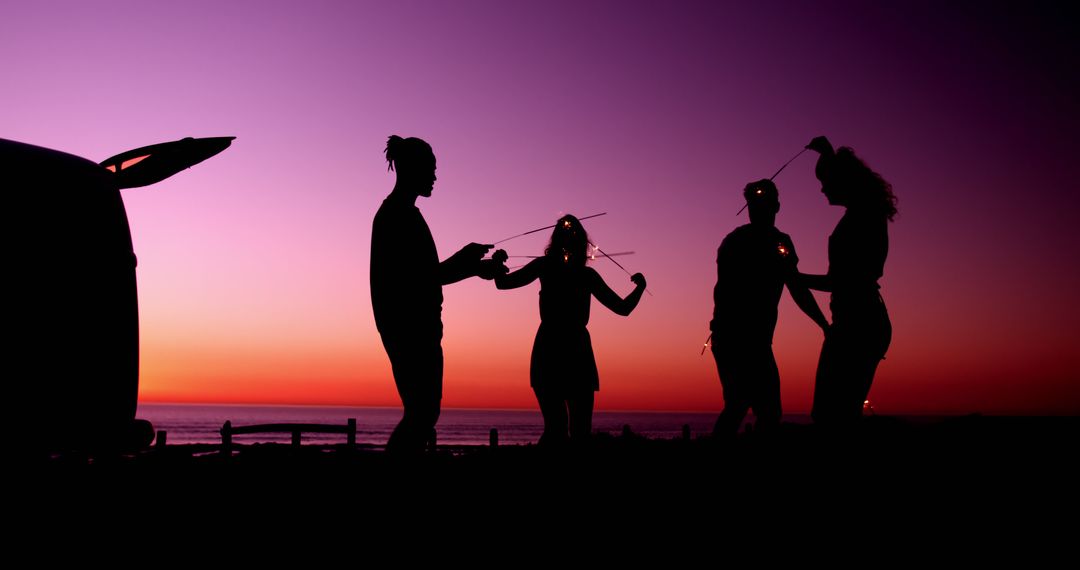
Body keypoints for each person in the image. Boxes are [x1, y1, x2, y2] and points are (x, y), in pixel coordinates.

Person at [370, 135, 506, 454]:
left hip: (419, 329)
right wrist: (464, 260)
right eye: (430, 168)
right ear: (411, 168)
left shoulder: (405, 214)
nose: (434, 176)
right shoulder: (396, 216)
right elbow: (416, 278)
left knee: (423, 413)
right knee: (421, 413)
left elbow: (427, 277)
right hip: (409, 330)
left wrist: (474, 268)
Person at [494, 215, 646, 446]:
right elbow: (623, 309)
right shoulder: (584, 275)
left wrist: (497, 265)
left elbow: (503, 282)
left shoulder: (547, 266)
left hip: (552, 348)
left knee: (559, 429)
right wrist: (640, 288)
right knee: (577, 431)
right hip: (572, 350)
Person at [710, 180, 829, 439]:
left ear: (776, 206)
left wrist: (822, 324)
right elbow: (727, 290)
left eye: (762, 203)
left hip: (744, 339)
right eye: (753, 204)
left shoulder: (776, 242)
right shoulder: (737, 241)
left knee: (750, 407)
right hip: (737, 338)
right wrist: (823, 325)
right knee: (753, 407)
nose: (757, 210)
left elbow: (796, 288)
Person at [799, 136, 897, 427]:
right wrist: (828, 154)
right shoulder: (864, 214)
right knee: (840, 412)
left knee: (831, 416)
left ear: (843, 181)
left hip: (858, 323)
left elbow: (842, 282)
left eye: (825, 181)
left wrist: (793, 276)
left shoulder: (861, 219)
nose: (821, 188)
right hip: (862, 320)